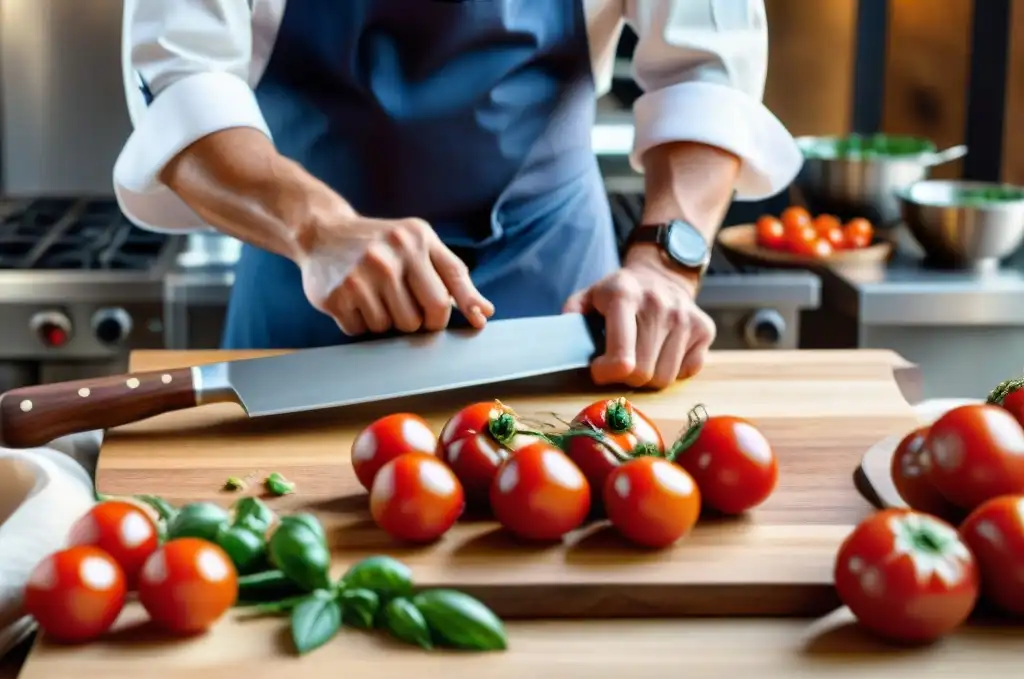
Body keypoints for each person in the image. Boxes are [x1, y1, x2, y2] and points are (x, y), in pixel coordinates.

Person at [115, 0, 801, 389]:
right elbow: (180, 81)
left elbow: (705, 73)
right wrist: (319, 230)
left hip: (561, 306)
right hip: (308, 292)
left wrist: (662, 267)